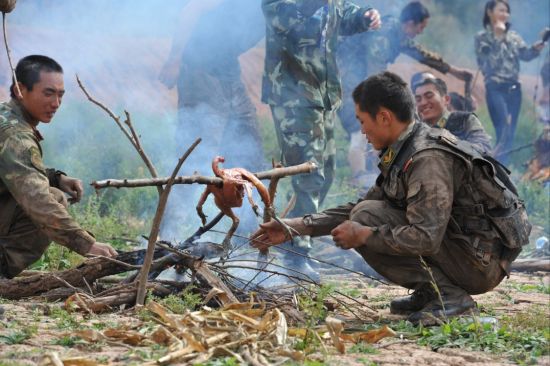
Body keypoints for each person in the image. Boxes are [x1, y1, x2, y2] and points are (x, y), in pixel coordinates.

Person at [252, 72, 531, 324]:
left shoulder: (426, 158)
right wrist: (296, 226)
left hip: (480, 263)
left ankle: (448, 296)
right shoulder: (407, 146)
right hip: (467, 249)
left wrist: (365, 236)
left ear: (384, 117)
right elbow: (363, 204)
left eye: (363, 121)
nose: (362, 130)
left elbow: (425, 237)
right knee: (365, 213)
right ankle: (433, 291)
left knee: (366, 219)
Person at [261, 0, 381, 278]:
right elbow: (285, 19)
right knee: (309, 176)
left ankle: (296, 239)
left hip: (323, 97)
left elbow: (344, 14)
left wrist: (365, 15)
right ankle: (295, 255)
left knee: (325, 174)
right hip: (293, 99)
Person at [0, 55, 117, 279]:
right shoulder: (16, 136)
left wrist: (55, 177)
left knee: (52, 190)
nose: (56, 103)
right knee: (53, 199)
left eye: (60, 95)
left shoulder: (4, 116)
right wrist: (87, 244)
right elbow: (37, 200)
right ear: (20, 89)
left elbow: (15, 170)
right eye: (48, 93)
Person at [338, 1, 473, 187]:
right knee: (359, 129)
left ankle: (373, 176)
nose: (421, 32)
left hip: (361, 84)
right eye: (421, 27)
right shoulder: (383, 35)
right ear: (410, 23)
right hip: (350, 84)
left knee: (376, 125)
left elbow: (423, 54)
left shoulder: (398, 35)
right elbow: (373, 70)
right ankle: (359, 179)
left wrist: (454, 71)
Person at [475, 0, 546, 164]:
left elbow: (525, 55)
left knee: (510, 133)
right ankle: (494, 164)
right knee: (503, 128)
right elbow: (487, 61)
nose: (505, 14)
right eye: (501, 10)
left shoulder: (514, 36)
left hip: (514, 89)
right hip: (495, 88)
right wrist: (498, 37)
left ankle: (502, 167)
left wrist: (535, 48)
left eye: (507, 11)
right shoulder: (482, 37)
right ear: (490, 12)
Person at [411, 72, 492, 155]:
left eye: (429, 96)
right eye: (418, 99)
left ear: (446, 99)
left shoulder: (464, 120)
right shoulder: (416, 131)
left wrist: (449, 142)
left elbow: (484, 149)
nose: (423, 103)